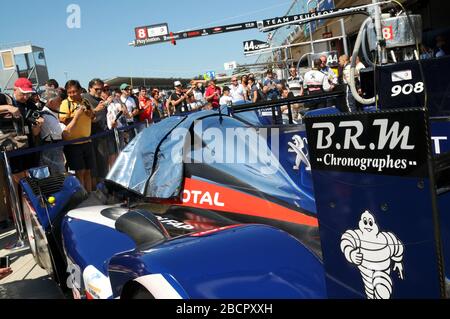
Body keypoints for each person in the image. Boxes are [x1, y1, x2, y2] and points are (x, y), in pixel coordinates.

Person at [59, 80, 95, 192]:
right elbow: (63, 121)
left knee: (88, 171)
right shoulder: (65, 103)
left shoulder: (85, 101)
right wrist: (77, 114)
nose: (72, 94)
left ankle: (89, 195)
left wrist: (90, 113)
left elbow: (92, 117)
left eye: (74, 91)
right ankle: (83, 197)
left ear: (80, 90)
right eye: (69, 92)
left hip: (87, 141)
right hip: (73, 144)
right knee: (80, 172)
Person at [38, 89, 66, 174]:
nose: (61, 103)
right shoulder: (47, 116)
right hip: (52, 149)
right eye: (58, 100)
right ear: (50, 102)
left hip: (53, 148)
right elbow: (63, 131)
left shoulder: (50, 113)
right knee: (59, 175)